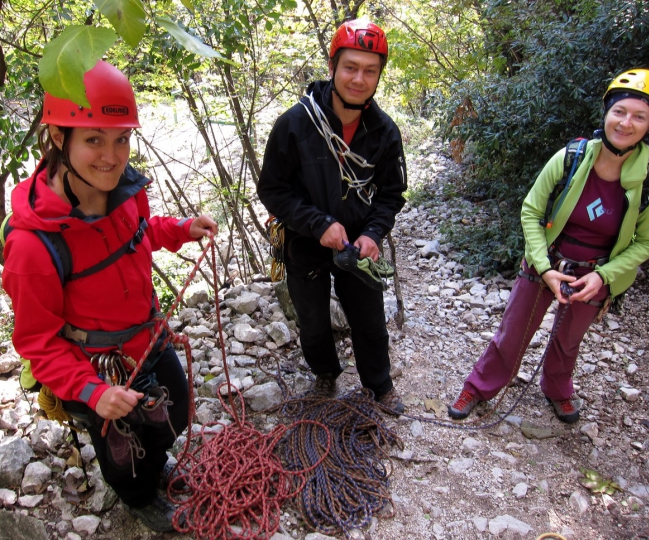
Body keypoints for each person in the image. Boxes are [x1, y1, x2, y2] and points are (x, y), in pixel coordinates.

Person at [2, 60, 218, 532]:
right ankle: (137, 498)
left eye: (121, 138)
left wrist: (180, 229)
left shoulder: (124, 189)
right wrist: (91, 393)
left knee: (175, 410)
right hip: (94, 365)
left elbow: (137, 234)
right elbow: (37, 342)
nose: (112, 156)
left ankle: (154, 465)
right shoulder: (32, 245)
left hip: (147, 336)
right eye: (94, 139)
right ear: (59, 138)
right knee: (123, 453)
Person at [448, 68, 649, 424]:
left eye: (639, 116)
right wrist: (544, 267)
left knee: (568, 341)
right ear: (607, 112)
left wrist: (604, 277)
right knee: (514, 330)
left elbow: (648, 241)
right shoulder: (572, 158)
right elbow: (532, 210)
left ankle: (557, 389)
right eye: (619, 111)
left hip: (595, 275)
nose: (626, 123)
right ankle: (478, 386)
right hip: (547, 262)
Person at [257, 20, 407, 413]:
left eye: (370, 70)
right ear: (333, 67)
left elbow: (392, 193)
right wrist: (317, 223)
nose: (359, 79)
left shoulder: (384, 133)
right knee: (313, 318)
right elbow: (272, 189)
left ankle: (379, 384)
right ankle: (325, 373)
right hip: (305, 239)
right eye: (350, 67)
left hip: (357, 240)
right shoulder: (295, 124)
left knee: (369, 318)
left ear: (379, 75)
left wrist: (374, 233)